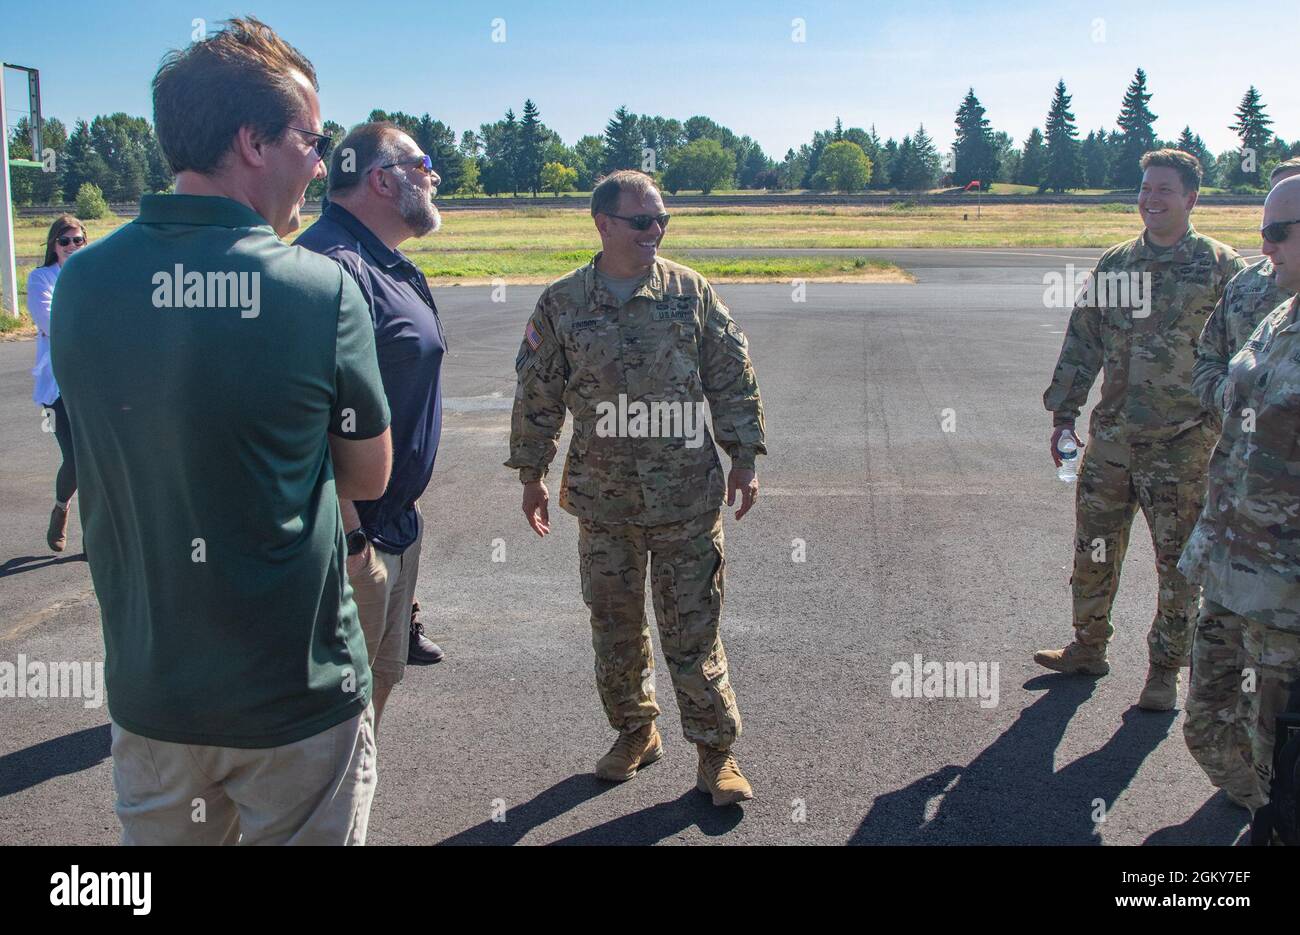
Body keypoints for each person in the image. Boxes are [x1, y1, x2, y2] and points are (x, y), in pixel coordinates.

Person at [50, 17, 391, 845]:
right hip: (294, 695)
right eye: (311, 140)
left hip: (151, 692)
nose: (319, 163)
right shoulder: (320, 289)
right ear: (251, 141)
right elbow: (368, 476)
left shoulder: (82, 282)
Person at [506, 169, 766, 806]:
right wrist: (532, 474)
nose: (656, 231)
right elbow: (538, 394)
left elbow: (731, 374)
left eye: (662, 221)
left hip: (685, 498)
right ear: (603, 224)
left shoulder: (689, 292)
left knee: (692, 630)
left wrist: (745, 455)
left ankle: (715, 754)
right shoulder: (563, 302)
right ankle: (634, 731)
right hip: (604, 501)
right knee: (615, 627)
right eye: (643, 221)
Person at [1036, 149, 1246, 711]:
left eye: (1165, 191)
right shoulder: (1115, 264)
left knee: (1178, 564)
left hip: (1184, 444)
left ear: (1191, 198)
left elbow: (1251, 354)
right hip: (1112, 442)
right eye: (1145, 188)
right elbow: (1083, 340)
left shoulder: (1223, 268)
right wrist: (1064, 413)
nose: (1151, 199)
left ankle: (1163, 671)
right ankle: (1087, 647)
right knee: (1094, 549)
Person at [297, 121, 448, 735]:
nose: (432, 176)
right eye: (421, 164)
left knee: (372, 701)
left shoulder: (385, 263)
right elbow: (303, 423)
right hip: (353, 543)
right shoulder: (331, 267)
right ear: (382, 180)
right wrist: (356, 541)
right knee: (334, 724)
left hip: (392, 528)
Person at [1179, 175, 1300, 819]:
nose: (1264, 246)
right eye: (1262, 231)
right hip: (1229, 563)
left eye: (1278, 233)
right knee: (1205, 722)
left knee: (1275, 753)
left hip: (1285, 593)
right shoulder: (1279, 311)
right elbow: (1221, 373)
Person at [28, 216, 88, 552]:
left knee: (98, 458)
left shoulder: (93, 277)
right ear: (54, 245)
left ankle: (94, 537)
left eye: (77, 240)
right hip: (57, 387)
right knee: (77, 459)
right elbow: (52, 323)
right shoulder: (41, 279)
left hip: (94, 384)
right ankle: (61, 509)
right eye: (64, 241)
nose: (71, 247)